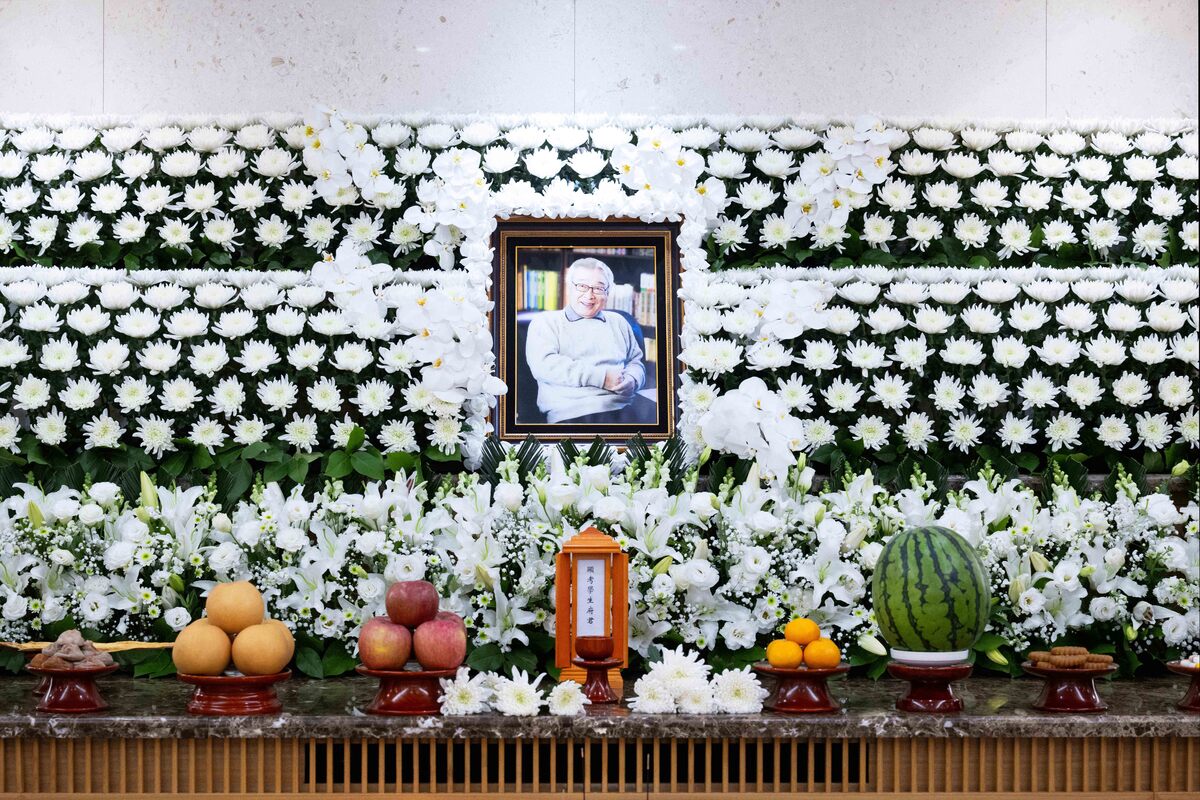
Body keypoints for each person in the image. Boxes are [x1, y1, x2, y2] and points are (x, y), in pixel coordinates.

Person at [525, 257, 657, 424]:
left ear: (608, 293)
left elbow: (635, 361)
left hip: (626, 407)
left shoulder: (619, 321)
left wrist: (633, 379)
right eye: (582, 286)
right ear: (569, 287)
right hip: (573, 412)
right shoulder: (545, 322)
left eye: (598, 288)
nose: (589, 295)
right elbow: (544, 366)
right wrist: (602, 378)